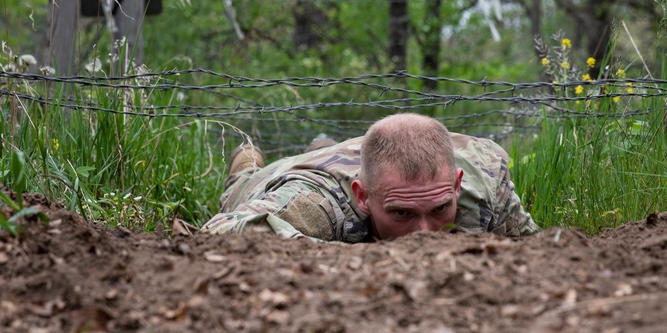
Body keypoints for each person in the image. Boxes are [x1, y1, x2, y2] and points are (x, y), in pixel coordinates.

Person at [201, 113, 539, 241]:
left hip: (363, 162)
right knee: (242, 185)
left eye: (438, 210)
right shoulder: (317, 202)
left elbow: (536, 249)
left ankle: (325, 145)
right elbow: (223, 228)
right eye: (402, 214)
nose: (423, 235)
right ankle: (247, 164)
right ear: (362, 196)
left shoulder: (485, 181)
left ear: (455, 184)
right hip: (292, 174)